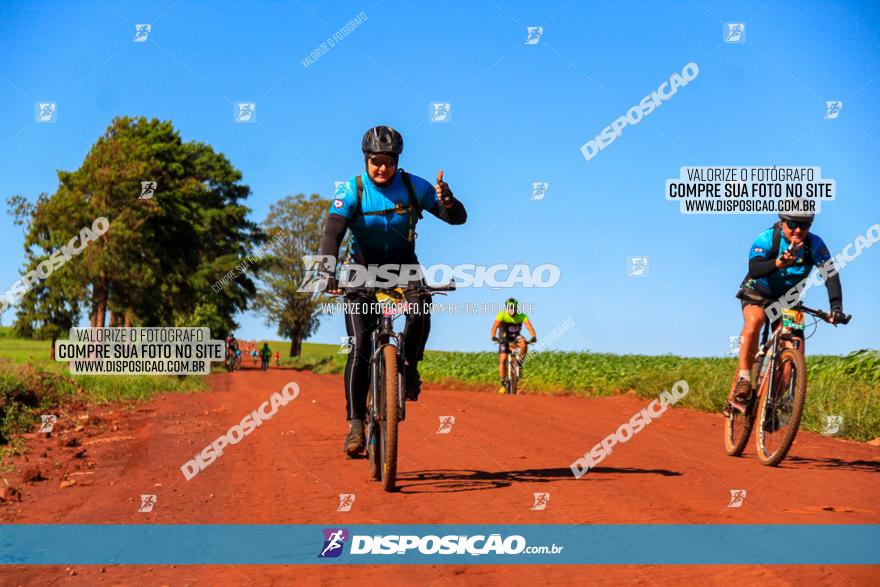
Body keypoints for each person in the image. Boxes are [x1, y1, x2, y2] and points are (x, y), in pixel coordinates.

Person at [318, 125, 467, 456]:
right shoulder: (351, 190)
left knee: (421, 307)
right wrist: (328, 272)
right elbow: (332, 233)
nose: (382, 168)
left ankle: (410, 369)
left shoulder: (414, 187)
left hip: (403, 268)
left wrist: (449, 201)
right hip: (360, 270)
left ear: (397, 161)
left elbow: (457, 219)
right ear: (365, 160)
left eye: (388, 161)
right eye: (375, 161)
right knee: (359, 349)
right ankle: (356, 425)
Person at [727, 212, 846, 412]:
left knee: (796, 346)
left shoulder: (815, 244)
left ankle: (772, 404)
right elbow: (755, 269)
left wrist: (836, 307)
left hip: (789, 300)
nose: (798, 230)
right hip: (757, 291)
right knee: (755, 321)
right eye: (792, 224)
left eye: (804, 225)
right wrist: (778, 263)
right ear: (782, 222)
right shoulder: (766, 239)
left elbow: (830, 275)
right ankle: (744, 378)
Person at [490, 298, 537, 392]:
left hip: (516, 336)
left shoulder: (521, 315)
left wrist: (533, 336)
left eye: (513, 308)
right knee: (503, 358)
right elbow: (495, 325)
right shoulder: (502, 314)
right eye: (509, 308)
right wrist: (493, 336)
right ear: (506, 308)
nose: (511, 310)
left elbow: (528, 325)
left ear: (516, 308)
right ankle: (503, 380)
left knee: (524, 344)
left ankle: (519, 363)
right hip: (504, 337)